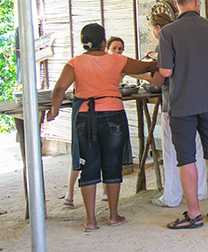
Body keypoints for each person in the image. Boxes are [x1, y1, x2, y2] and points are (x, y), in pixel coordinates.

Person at [48, 23, 157, 231]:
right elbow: (144, 68)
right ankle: (114, 216)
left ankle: (91, 221)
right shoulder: (116, 60)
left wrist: (54, 111)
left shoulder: (75, 63)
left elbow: (60, 87)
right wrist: (159, 62)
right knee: (112, 163)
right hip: (112, 115)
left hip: (84, 118)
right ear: (102, 41)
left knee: (89, 165)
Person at [158, 0, 208, 229]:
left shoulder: (167, 32)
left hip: (183, 104)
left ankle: (194, 214)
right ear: (197, 2)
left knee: (186, 158)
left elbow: (166, 72)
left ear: (177, 5)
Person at [142, 12, 208, 208]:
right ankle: (200, 190)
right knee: (197, 148)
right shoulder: (187, 40)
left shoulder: (164, 42)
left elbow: (160, 78)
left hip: (173, 103)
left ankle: (171, 196)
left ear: (157, 29)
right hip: (196, 100)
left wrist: (141, 75)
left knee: (172, 151)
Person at [63, 35, 131, 206]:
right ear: (104, 46)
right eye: (114, 48)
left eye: (120, 49)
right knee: (101, 160)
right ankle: (71, 193)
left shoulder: (81, 62)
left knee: (90, 160)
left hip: (88, 113)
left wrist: (54, 110)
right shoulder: (102, 62)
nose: (117, 51)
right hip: (106, 111)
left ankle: (92, 217)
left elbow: (60, 88)